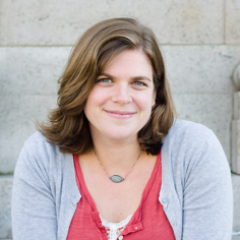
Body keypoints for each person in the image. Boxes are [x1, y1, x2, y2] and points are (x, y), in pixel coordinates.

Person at [11, 18, 233, 240]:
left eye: (138, 83)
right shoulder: (42, 156)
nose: (122, 98)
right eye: (105, 80)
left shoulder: (195, 149)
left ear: (155, 94)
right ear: (80, 86)